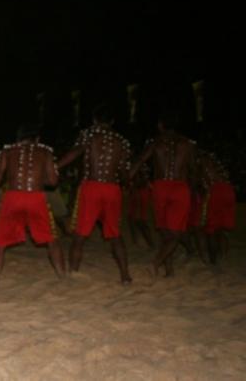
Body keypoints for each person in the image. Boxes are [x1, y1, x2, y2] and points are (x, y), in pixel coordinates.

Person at [0, 123, 65, 292]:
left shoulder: (7, 151)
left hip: (13, 197)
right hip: (36, 198)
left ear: (18, 138)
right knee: (52, 239)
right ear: (37, 139)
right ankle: (62, 276)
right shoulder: (46, 152)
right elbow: (54, 181)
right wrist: (37, 180)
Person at [58, 104, 133, 284]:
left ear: (94, 119)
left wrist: (55, 167)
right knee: (115, 234)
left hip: (91, 187)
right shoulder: (121, 141)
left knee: (80, 234)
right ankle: (125, 275)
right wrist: (127, 183)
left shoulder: (89, 135)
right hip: (112, 188)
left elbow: (74, 153)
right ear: (112, 121)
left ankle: (74, 272)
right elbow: (124, 171)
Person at [130, 111, 196, 277]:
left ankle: (164, 267)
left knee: (165, 231)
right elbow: (193, 169)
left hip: (160, 187)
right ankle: (163, 267)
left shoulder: (156, 143)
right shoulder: (188, 144)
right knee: (174, 232)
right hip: (180, 187)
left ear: (160, 125)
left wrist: (126, 177)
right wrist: (193, 190)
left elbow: (139, 161)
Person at [197, 150, 235, 264]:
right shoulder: (217, 165)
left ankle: (213, 260)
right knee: (222, 227)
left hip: (216, 191)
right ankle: (223, 255)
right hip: (228, 190)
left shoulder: (202, 164)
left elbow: (203, 183)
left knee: (211, 229)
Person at [126, 159, 155, 249]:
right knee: (131, 218)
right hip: (136, 192)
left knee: (141, 220)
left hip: (143, 192)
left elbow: (144, 181)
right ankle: (136, 241)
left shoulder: (142, 165)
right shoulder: (132, 164)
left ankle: (150, 244)